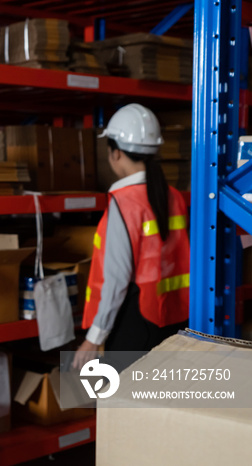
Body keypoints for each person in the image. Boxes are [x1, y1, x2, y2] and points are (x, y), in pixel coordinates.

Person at [72, 103, 189, 371]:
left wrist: (93, 339)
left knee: (125, 408)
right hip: (173, 320)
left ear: (115, 154)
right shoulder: (173, 196)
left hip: (135, 324)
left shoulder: (124, 202)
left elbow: (117, 279)